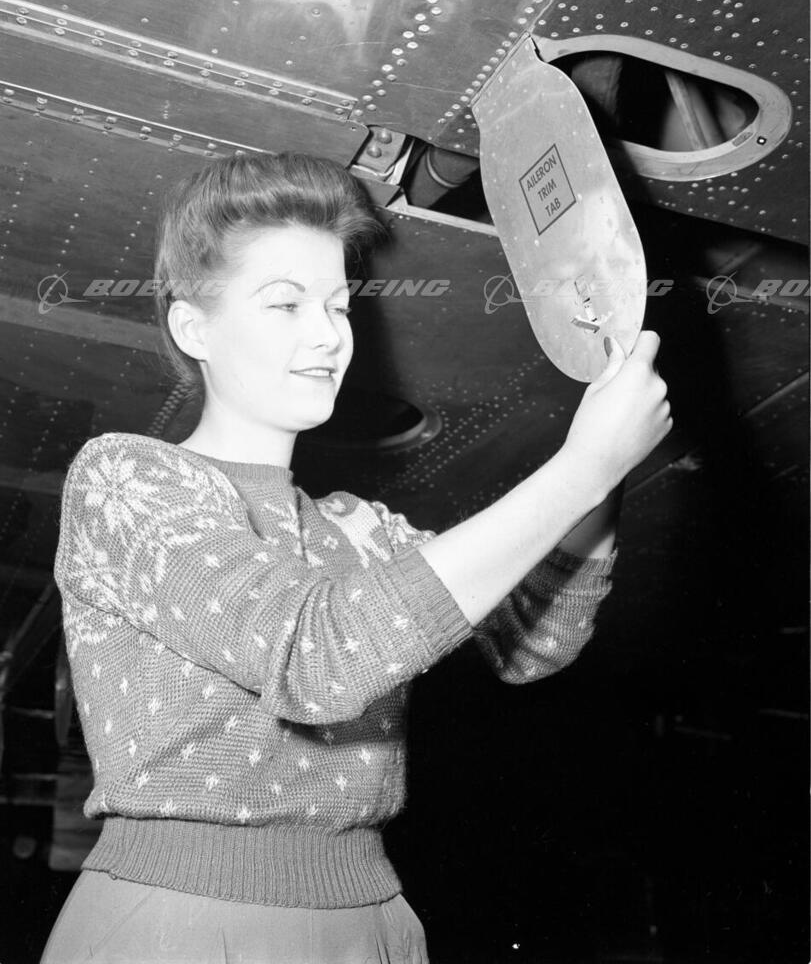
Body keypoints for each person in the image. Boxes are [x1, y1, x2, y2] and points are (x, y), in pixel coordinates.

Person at [41, 151, 671, 963]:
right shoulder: (126, 479)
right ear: (194, 327)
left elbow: (534, 642)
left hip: (369, 921)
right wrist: (581, 467)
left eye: (338, 306)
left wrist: (604, 475)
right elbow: (315, 657)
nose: (327, 335)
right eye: (285, 304)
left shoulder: (358, 526)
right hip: (181, 918)